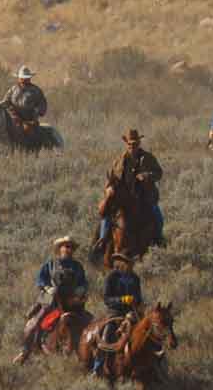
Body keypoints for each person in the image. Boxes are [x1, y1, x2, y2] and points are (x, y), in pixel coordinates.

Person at [16, 235, 88, 363]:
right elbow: (40, 280)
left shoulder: (78, 266)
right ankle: (24, 352)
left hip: (71, 302)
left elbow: (83, 283)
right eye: (65, 246)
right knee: (34, 324)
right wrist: (48, 288)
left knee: (91, 322)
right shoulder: (50, 264)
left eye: (70, 247)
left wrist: (80, 290)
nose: (68, 249)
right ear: (60, 248)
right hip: (51, 300)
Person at [102, 128, 164, 249]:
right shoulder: (118, 161)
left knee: (158, 216)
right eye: (130, 144)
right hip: (122, 199)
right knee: (106, 217)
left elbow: (159, 173)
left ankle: (159, 239)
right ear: (126, 144)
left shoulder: (148, 158)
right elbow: (109, 180)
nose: (132, 146)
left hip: (145, 198)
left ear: (139, 143)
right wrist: (108, 189)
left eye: (135, 143)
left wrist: (147, 176)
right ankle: (101, 241)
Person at [0, 65, 48, 133]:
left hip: (30, 121)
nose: (23, 80)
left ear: (29, 78)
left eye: (26, 78)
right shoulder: (13, 89)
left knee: (32, 134)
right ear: (19, 78)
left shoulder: (36, 90)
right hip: (14, 120)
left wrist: (36, 112)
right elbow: (6, 101)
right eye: (22, 78)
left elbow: (42, 105)